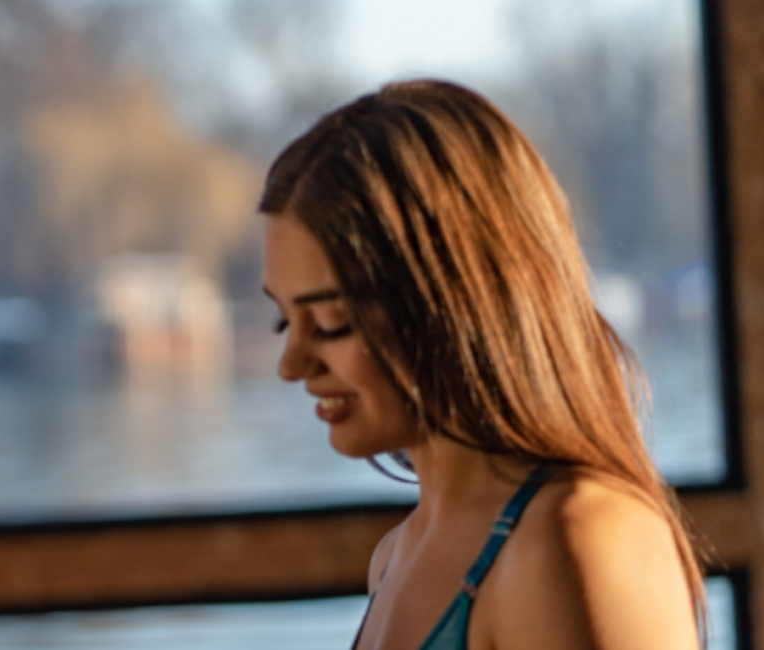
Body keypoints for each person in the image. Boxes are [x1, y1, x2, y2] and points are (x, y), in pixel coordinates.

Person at [258, 80, 704, 649]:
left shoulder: (581, 539)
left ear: (449, 301)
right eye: (283, 321)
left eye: (328, 324)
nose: (292, 365)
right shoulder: (394, 558)